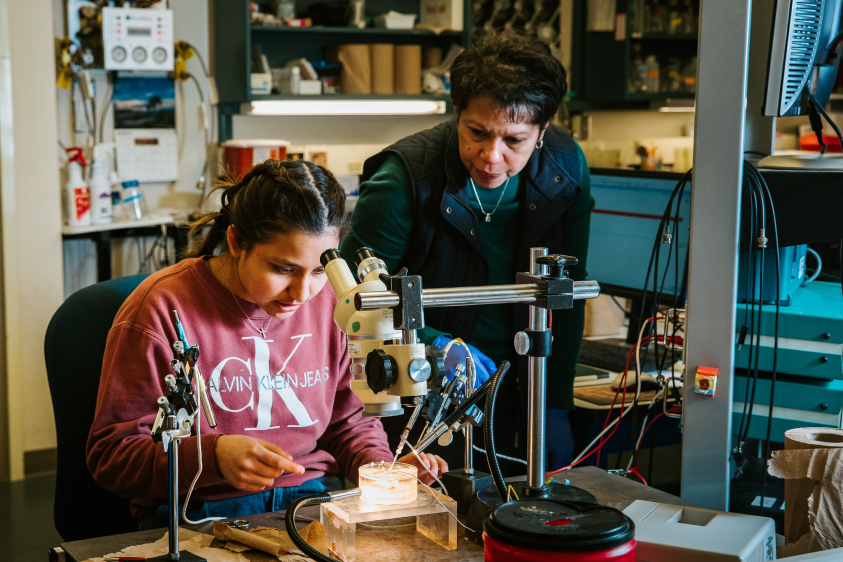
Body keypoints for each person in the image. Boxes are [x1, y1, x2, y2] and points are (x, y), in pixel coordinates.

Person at [87, 160, 447, 529]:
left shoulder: (337, 304)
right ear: (236, 241)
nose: (302, 293)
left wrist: (378, 468)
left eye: (320, 271)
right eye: (283, 269)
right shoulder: (162, 309)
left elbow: (349, 420)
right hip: (198, 512)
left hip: (311, 498)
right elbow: (111, 457)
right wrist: (211, 457)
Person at [340, 31, 594, 474]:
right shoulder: (403, 180)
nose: (490, 156)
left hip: (523, 383)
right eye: (476, 132)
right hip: (418, 392)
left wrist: (555, 406)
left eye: (513, 140)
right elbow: (349, 304)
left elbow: (565, 299)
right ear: (458, 113)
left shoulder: (565, 170)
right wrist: (433, 345)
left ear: (542, 130)